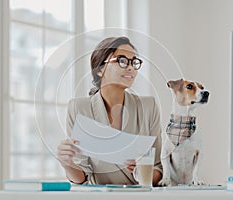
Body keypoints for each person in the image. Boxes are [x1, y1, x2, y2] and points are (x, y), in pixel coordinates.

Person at [57, 36, 162, 186]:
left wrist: (142, 172)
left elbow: (159, 169)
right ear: (100, 69)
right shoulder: (79, 108)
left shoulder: (148, 106)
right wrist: (67, 163)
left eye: (134, 61)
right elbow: (81, 177)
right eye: (122, 61)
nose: (130, 67)